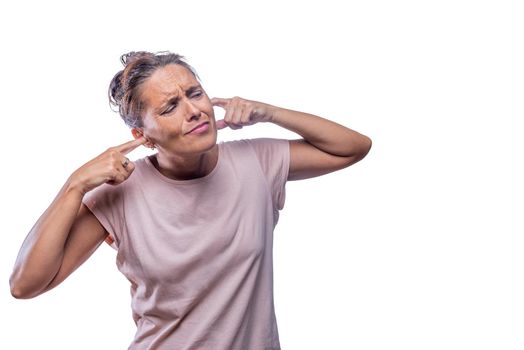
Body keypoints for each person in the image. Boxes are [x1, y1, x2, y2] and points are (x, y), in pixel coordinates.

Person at [9, 51, 372, 349]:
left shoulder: (257, 161)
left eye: (194, 94)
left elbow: (353, 147)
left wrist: (269, 113)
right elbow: (26, 285)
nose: (193, 110)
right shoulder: (120, 191)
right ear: (143, 135)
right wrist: (74, 185)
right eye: (169, 107)